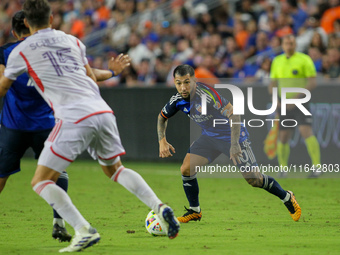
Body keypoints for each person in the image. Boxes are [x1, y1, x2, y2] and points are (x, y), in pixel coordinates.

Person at [0, 0, 180, 252]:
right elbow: (91, 76)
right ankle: (160, 207)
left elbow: (3, 87)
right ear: (52, 19)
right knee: (115, 170)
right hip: (102, 110)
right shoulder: (72, 41)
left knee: (40, 181)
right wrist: (112, 73)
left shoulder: (21, 51)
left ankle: (83, 230)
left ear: (27, 23)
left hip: (73, 116)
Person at [157, 64, 301, 224]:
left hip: (233, 136)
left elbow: (234, 115)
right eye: (178, 83)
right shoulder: (176, 100)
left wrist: (234, 144)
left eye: (186, 82)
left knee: (254, 180)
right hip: (209, 137)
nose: (183, 87)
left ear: (194, 81)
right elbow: (162, 117)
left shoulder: (207, 95)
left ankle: (287, 196)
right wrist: (162, 140)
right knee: (186, 168)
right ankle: (194, 211)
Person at [0, 10, 71, 243]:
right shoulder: (49, 51)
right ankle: (59, 224)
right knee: (58, 172)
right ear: (32, 27)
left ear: (13, 31)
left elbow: (2, 85)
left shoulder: (6, 53)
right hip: (44, 124)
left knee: (1, 176)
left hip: (13, 126)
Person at [269, 35, 321, 178]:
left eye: (291, 43)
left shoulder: (304, 59)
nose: (289, 45)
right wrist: (276, 100)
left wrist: (296, 99)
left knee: (306, 131)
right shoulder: (277, 61)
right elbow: (273, 83)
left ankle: (317, 167)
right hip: (283, 103)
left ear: (295, 45)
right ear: (283, 45)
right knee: (284, 136)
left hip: (301, 102)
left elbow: (312, 82)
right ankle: (283, 169)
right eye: (286, 43)